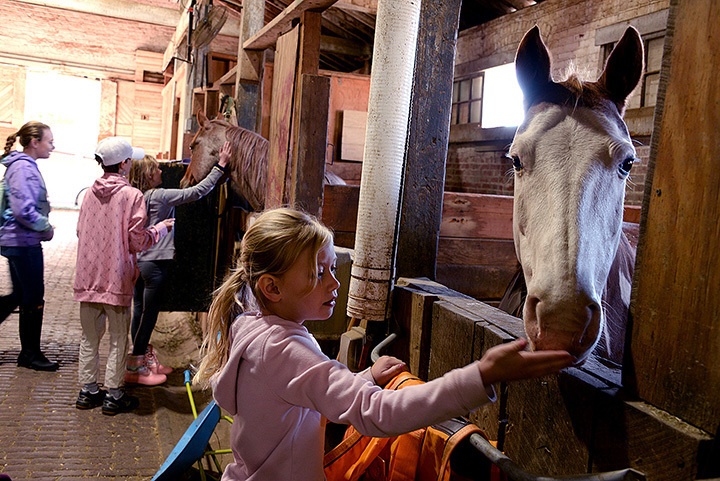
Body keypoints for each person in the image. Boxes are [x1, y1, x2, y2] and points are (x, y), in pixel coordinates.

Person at [193, 207, 574, 481]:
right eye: (318, 272)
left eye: (331, 267)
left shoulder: (255, 327)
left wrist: (365, 376)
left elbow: (309, 392)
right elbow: (377, 414)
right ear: (272, 288)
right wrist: (481, 376)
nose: (334, 282)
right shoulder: (282, 349)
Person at [73, 137, 174, 416]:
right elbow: (137, 241)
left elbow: (81, 232)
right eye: (130, 159)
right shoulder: (133, 196)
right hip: (116, 278)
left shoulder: (88, 194)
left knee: (89, 337)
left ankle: (88, 391)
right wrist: (162, 229)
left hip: (87, 276)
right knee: (119, 339)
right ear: (124, 164)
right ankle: (114, 395)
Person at [126, 144, 229, 386]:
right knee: (148, 315)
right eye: (156, 169)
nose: (161, 171)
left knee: (139, 312)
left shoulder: (137, 195)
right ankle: (136, 363)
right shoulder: (158, 196)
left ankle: (142, 357)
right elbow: (196, 192)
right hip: (155, 264)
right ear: (149, 174)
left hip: (140, 262)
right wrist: (220, 166)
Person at [0, 121, 59, 371]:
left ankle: (30, 352)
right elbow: (24, 210)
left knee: (21, 295)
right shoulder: (23, 169)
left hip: (18, 240)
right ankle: (30, 354)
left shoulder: (22, 166)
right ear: (35, 142)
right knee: (33, 297)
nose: (53, 146)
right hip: (23, 242)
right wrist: (45, 227)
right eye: (49, 141)